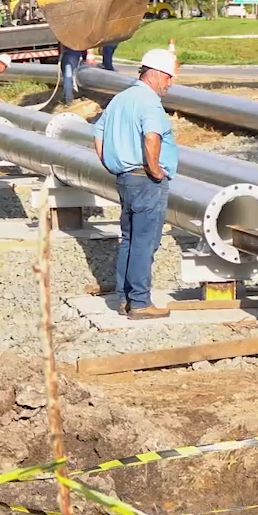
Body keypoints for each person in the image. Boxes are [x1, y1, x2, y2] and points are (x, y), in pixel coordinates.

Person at [93, 49, 179, 320]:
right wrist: (155, 170)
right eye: (168, 78)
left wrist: (109, 163)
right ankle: (140, 302)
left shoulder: (120, 99)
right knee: (145, 241)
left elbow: (98, 133)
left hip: (126, 178)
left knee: (129, 239)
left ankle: (124, 298)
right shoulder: (149, 102)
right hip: (145, 180)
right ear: (155, 74)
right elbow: (151, 137)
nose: (170, 84)